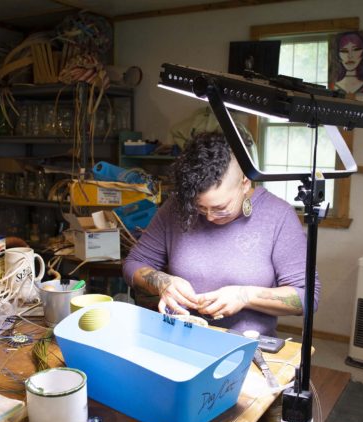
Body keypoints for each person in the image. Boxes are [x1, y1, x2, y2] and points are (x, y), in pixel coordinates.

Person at [122, 131, 320, 337]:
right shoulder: (176, 207)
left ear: (245, 183)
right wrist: (162, 282)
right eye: (199, 207)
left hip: (246, 347)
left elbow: (306, 296)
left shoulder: (278, 215)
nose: (209, 217)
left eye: (220, 208)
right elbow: (133, 264)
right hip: (181, 339)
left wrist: (244, 296)